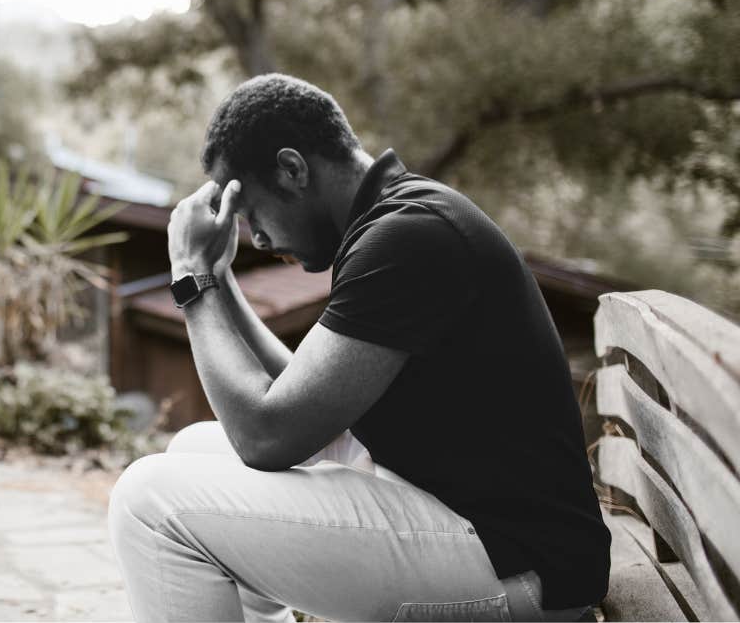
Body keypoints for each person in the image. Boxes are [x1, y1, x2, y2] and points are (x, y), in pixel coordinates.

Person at [108, 74, 609, 622]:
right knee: (193, 451)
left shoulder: (408, 236)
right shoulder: (395, 219)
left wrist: (190, 278)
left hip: (520, 566)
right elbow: (297, 397)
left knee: (149, 501)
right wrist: (218, 278)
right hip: (481, 528)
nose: (260, 238)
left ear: (292, 169)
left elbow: (267, 436)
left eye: (252, 213)